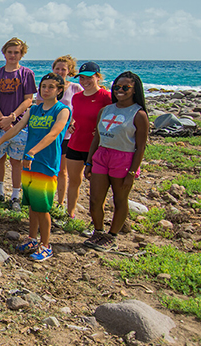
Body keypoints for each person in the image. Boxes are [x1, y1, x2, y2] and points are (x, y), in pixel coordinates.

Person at [0, 73, 71, 262]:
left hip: (45, 164)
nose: (46, 90)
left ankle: (46, 245)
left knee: (42, 207)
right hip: (29, 163)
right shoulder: (34, 110)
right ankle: (32, 239)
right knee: (32, 205)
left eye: (51, 87)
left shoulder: (62, 110)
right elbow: (16, 128)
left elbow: (54, 133)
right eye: (43, 86)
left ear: (59, 90)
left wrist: (32, 152)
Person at [84, 71, 149, 251]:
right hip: (102, 156)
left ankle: (112, 236)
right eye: (117, 87)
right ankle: (98, 231)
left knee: (120, 200)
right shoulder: (106, 110)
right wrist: (89, 162)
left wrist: (131, 173)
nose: (121, 90)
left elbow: (141, 147)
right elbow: (97, 137)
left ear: (134, 90)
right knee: (95, 200)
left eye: (126, 87)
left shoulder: (139, 114)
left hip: (124, 158)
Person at [0, 37, 37, 211]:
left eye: (16, 52)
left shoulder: (27, 74)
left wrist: (13, 117)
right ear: (4, 53)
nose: (13, 55)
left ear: (21, 54)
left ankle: (15, 195)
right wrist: (3, 120)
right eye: (10, 52)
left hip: (20, 125)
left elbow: (29, 99)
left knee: (16, 162)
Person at [36, 55, 84, 209]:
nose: (60, 71)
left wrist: (74, 121)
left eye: (64, 69)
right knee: (47, 167)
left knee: (62, 171)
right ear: (53, 69)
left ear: (69, 71)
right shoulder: (46, 87)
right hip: (47, 135)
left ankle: (61, 203)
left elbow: (82, 108)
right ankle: (45, 199)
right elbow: (39, 109)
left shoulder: (75, 88)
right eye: (57, 68)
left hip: (66, 136)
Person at [66, 62, 110, 219]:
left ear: (97, 77)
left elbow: (115, 119)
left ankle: (96, 220)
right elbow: (77, 117)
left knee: (96, 186)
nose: (85, 82)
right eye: (82, 78)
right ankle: (69, 215)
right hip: (76, 143)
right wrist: (71, 125)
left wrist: (102, 130)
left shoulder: (107, 97)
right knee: (74, 181)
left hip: (96, 147)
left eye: (89, 78)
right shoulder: (77, 97)